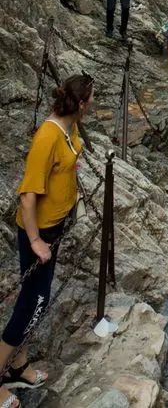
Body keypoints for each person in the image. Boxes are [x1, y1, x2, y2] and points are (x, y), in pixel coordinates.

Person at [0, 75, 94, 405]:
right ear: (81, 103)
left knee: (36, 300)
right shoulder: (47, 136)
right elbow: (27, 196)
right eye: (91, 99)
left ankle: (18, 364)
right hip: (37, 233)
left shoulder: (72, 127)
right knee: (30, 305)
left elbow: (68, 163)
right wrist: (36, 240)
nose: (94, 103)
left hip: (56, 227)